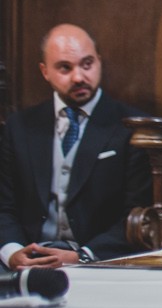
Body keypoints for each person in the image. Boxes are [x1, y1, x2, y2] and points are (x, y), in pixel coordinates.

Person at [0, 25, 150, 268]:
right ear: (45, 71)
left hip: (100, 262)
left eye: (87, 64)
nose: (79, 77)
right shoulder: (20, 127)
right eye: (65, 68)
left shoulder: (130, 127)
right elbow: (4, 206)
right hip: (27, 258)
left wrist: (83, 255)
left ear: (99, 62)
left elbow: (136, 216)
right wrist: (13, 252)